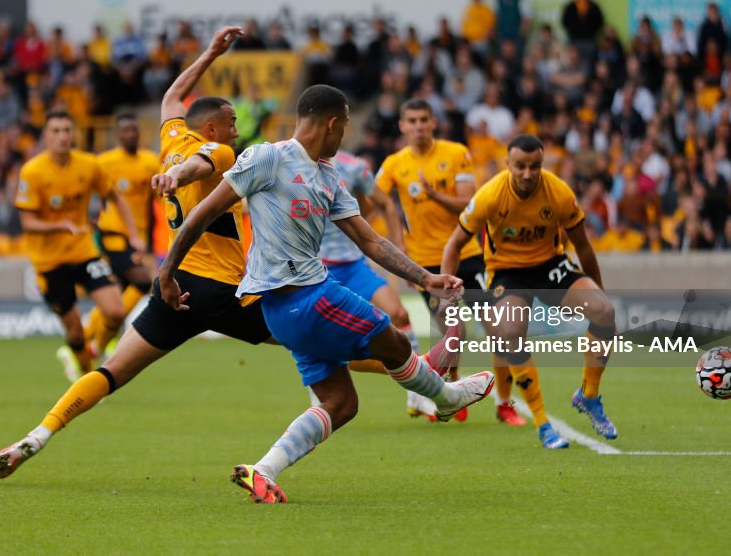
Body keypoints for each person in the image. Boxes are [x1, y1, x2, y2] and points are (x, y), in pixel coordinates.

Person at [156, 84, 494, 503]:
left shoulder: (328, 176)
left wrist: (426, 279)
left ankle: (263, 470)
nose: (344, 136)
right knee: (392, 338)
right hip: (305, 295)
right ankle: (444, 396)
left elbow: (371, 242)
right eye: (344, 126)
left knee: (341, 402)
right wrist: (166, 274)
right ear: (332, 123)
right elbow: (200, 215)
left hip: (288, 312)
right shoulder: (268, 157)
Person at [0, 26, 276, 479]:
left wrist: (210, 54)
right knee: (315, 335)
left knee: (112, 371)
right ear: (213, 128)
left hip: (173, 289)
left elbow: (171, 97)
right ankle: (413, 369)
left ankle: (38, 435)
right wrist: (177, 178)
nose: (237, 131)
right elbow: (197, 166)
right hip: (222, 290)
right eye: (232, 123)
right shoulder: (219, 152)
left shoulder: (169, 139)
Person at [441, 134, 619, 449]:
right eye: (520, 166)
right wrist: (445, 284)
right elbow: (454, 244)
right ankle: (542, 423)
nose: (527, 174)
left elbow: (583, 246)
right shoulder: (489, 195)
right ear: (508, 164)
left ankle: (589, 395)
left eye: (534, 166)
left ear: (542, 164)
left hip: (551, 266)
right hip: (508, 273)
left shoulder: (559, 193)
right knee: (510, 331)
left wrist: (599, 294)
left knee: (604, 312)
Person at [375, 99, 521, 424]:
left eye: (424, 119)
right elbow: (376, 200)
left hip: (467, 257)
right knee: (453, 331)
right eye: (411, 120)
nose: (418, 126)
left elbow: (470, 204)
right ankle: (454, 391)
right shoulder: (394, 164)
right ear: (402, 126)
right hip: (427, 267)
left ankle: (505, 403)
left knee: (499, 329)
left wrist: (435, 196)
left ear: (433, 123)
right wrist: (397, 240)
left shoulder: (457, 153)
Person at [14, 109, 142, 381]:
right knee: (73, 331)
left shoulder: (88, 165)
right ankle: (86, 375)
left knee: (116, 311)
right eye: (56, 131)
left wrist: (134, 235)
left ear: (74, 134)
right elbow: (27, 222)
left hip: (84, 252)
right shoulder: (33, 172)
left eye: (66, 131)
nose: (62, 137)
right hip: (49, 262)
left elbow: (116, 198)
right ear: (46, 136)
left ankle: (96, 349)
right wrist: (60, 226)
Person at [318, 150, 422, 412]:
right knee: (325, 339)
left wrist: (400, 244)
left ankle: (418, 392)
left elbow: (385, 203)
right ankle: (321, 393)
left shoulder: (353, 167)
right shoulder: (290, 161)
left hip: (353, 264)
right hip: (317, 268)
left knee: (399, 313)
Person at [83, 114, 161, 359]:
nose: (131, 135)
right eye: (126, 131)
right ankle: (97, 341)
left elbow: (157, 198)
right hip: (112, 233)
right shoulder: (105, 162)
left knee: (120, 290)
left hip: (137, 236)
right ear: (117, 135)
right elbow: (85, 190)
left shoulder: (150, 162)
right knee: (140, 281)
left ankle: (85, 339)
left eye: (134, 130)